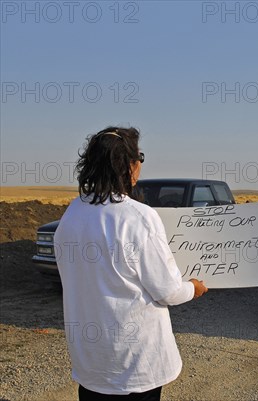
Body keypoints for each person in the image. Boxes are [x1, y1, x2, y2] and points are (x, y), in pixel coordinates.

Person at [54, 126, 207, 400]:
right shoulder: (138, 217)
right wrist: (193, 288)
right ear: (128, 166)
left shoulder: (71, 215)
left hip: (91, 364)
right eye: (139, 159)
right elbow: (168, 290)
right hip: (135, 367)